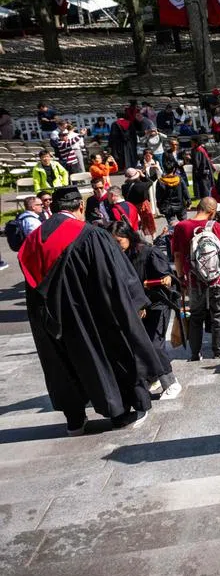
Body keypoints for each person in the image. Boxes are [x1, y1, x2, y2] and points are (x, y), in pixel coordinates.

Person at [18, 186, 165, 434]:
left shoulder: (33, 240)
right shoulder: (89, 234)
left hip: (51, 318)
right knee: (104, 353)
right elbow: (114, 276)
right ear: (81, 207)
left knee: (62, 363)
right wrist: (135, 301)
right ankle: (119, 414)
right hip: (89, 314)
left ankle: (75, 419)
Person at [108, 221, 182, 400]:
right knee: (140, 346)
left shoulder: (149, 253)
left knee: (154, 345)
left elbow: (166, 278)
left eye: (119, 241)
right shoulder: (118, 257)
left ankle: (170, 382)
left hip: (157, 305)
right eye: (113, 242)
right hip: (136, 308)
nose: (116, 246)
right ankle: (152, 377)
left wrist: (163, 280)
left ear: (129, 238)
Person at [172, 198, 220, 360]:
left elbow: (177, 256)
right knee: (219, 315)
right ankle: (218, 351)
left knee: (196, 316)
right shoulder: (213, 226)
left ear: (197, 208)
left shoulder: (181, 227)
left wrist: (181, 277)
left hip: (194, 280)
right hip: (218, 279)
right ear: (212, 211)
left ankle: (195, 353)